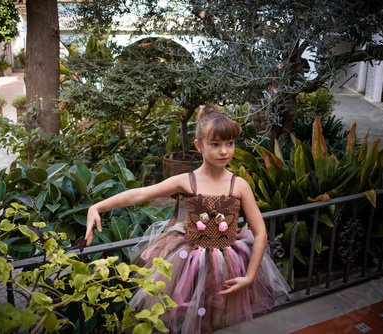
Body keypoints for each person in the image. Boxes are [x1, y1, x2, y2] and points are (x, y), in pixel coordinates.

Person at [85, 104, 290, 333]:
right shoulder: (186, 180)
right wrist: (97, 207)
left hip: (229, 262)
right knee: (193, 314)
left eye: (229, 143)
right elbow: (139, 193)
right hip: (190, 262)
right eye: (215, 144)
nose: (224, 151)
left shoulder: (239, 185)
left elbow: (260, 232)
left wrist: (250, 276)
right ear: (198, 146)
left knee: (215, 316)